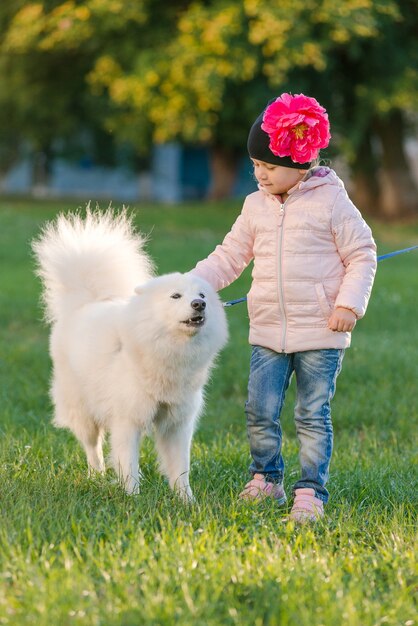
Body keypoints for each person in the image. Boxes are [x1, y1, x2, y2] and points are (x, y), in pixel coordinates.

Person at [189, 93, 377, 522]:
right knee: (259, 409)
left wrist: (349, 304)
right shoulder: (255, 206)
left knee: (311, 414)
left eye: (269, 166)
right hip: (269, 330)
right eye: (255, 165)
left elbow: (362, 254)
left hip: (321, 332)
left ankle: (311, 491)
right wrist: (195, 284)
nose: (259, 174)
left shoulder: (331, 202)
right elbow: (231, 253)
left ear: (300, 162)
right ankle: (266, 478)